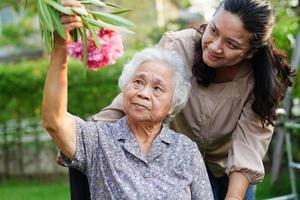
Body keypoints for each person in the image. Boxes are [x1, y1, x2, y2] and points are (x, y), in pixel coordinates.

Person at [91, 0, 295, 199]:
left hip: (230, 171)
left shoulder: (260, 79)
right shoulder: (177, 46)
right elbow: (137, 94)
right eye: (213, 30)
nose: (215, 46)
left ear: (251, 52)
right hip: (178, 164)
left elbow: (248, 146)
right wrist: (87, 137)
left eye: (231, 43)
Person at [42, 1, 214, 198]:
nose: (143, 93)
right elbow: (54, 122)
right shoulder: (99, 140)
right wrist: (60, 45)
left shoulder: (186, 151)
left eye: (157, 88)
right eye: (138, 82)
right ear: (125, 88)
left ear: (171, 105)